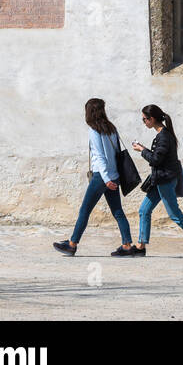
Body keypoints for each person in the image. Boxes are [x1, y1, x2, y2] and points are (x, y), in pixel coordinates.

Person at [53, 98, 135, 257]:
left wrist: (106, 179)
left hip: (101, 177)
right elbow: (116, 154)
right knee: (118, 211)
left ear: (89, 112)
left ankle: (72, 244)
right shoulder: (112, 129)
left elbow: (100, 156)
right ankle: (127, 245)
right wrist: (112, 178)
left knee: (85, 210)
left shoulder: (94, 131)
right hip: (114, 175)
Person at [132, 105, 183, 259]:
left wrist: (142, 150)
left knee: (174, 214)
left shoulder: (164, 136)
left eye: (144, 119)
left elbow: (156, 159)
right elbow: (158, 156)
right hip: (159, 179)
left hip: (164, 180)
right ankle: (140, 246)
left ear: (152, 119)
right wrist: (145, 149)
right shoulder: (162, 135)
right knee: (144, 210)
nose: (144, 122)